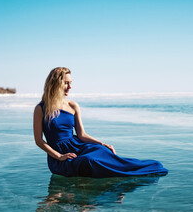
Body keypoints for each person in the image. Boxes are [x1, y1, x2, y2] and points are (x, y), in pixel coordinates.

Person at [33, 67, 168, 178]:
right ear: (56, 83)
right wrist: (60, 156)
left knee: (101, 150)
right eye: (66, 83)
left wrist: (101, 143)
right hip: (59, 155)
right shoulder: (41, 108)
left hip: (77, 145)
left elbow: (82, 134)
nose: (70, 87)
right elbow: (39, 140)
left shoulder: (73, 106)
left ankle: (136, 169)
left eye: (71, 83)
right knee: (89, 161)